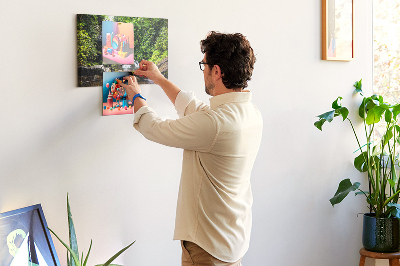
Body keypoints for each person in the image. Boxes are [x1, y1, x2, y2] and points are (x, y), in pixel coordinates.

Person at [119, 31, 263, 266]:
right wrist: (158, 78)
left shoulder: (216, 124)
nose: (203, 71)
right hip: (231, 239)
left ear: (216, 71)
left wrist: (135, 94)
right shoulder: (250, 113)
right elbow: (194, 109)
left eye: (203, 65)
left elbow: (153, 127)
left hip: (207, 249)